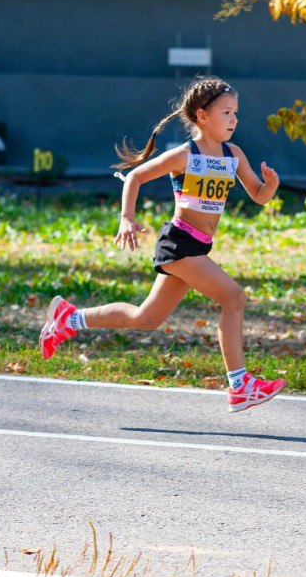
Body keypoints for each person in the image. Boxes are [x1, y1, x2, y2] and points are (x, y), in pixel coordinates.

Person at [39, 76, 286, 412]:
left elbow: (258, 195)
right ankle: (240, 385)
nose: (234, 119)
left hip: (198, 246)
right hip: (179, 243)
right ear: (202, 116)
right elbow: (136, 176)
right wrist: (127, 217)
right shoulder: (185, 155)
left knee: (146, 319)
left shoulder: (234, 154)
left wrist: (270, 186)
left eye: (236, 113)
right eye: (226, 112)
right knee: (234, 297)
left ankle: (68, 319)